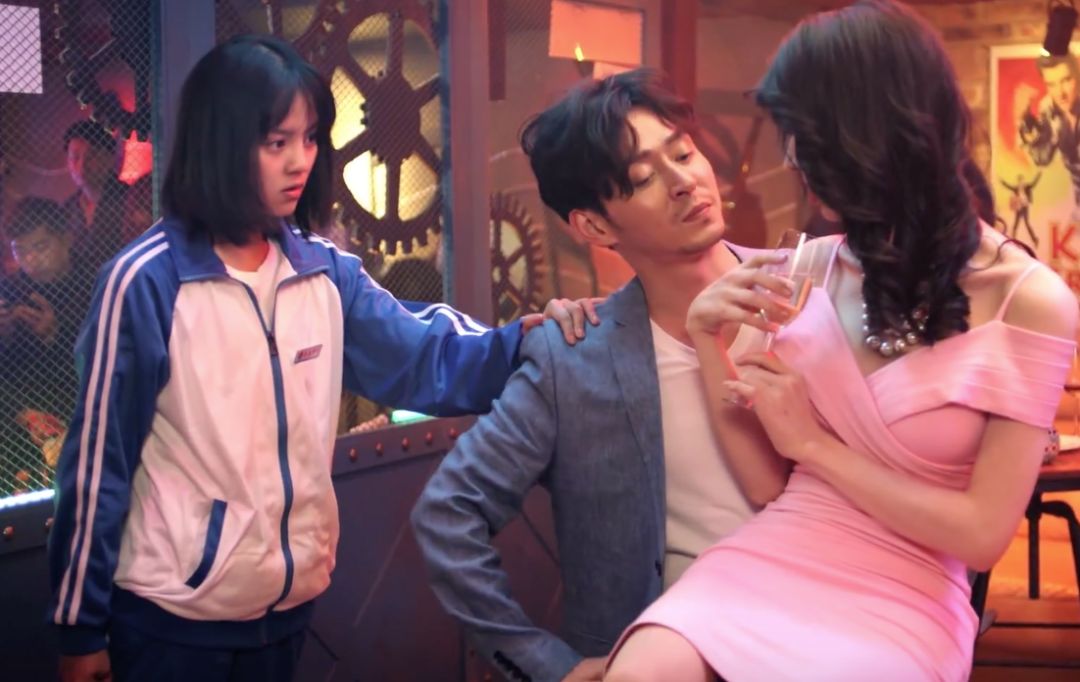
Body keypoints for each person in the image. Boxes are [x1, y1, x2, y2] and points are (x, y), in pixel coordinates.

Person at [46, 34, 585, 682]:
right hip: (171, 622)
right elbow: (98, 464)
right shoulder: (146, 283)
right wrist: (80, 630)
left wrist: (523, 344)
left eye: (308, 139)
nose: (300, 161)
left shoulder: (323, 272)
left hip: (290, 610)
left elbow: (423, 358)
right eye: (277, 142)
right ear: (220, 143)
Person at [604, 2, 1078, 681]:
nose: (791, 157)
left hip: (909, 590)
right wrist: (708, 339)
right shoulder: (807, 268)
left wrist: (815, 446)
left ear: (870, 134)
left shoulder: (1030, 302)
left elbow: (981, 537)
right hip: (777, 553)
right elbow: (767, 487)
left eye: (804, 135)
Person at [411, 69, 779, 682]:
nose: (684, 182)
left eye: (683, 153)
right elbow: (447, 514)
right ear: (594, 227)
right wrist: (545, 665)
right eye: (643, 178)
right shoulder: (574, 357)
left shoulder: (807, 289)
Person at [0, 197, 95, 494]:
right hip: (21, 410)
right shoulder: (10, 288)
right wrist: (4, 337)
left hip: (80, 405)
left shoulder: (94, 283)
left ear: (65, 239)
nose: (31, 260)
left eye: (40, 247)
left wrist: (56, 335)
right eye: (20, 251)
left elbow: (108, 358)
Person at [61, 120, 130, 268]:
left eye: (91, 156)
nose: (82, 165)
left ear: (109, 158)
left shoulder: (130, 199)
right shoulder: (67, 209)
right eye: (75, 157)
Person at [1018, 51, 1080, 211]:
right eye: (1051, 84)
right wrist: (1028, 132)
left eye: (1066, 80)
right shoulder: (1048, 108)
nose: (1060, 93)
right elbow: (1042, 158)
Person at [1000, 172, 1041, 247]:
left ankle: (1035, 239)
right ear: (1018, 181)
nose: (1021, 182)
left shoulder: (1027, 187)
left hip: (1025, 207)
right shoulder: (1016, 188)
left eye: (1022, 181)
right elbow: (1009, 187)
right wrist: (1002, 182)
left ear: (1023, 181)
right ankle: (1013, 240)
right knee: (1016, 224)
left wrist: (1038, 175)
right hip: (1019, 207)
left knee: (1027, 223)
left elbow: (1034, 183)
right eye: (1019, 181)